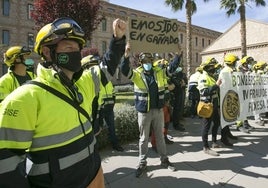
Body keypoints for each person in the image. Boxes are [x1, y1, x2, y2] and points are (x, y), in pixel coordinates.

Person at [0, 17, 126, 188]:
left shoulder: (85, 83)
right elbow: (6, 167)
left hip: (95, 177)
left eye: (77, 48)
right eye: (69, 47)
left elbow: (108, 66)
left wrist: (117, 39)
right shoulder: (24, 98)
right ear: (47, 52)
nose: (76, 53)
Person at [121, 44, 178, 178]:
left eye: (149, 60)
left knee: (160, 137)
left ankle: (164, 160)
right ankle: (142, 163)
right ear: (141, 62)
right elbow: (124, 69)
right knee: (143, 139)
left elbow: (172, 68)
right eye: (144, 61)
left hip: (158, 111)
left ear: (152, 61)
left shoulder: (159, 71)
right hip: (144, 112)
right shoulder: (136, 74)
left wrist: (178, 55)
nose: (147, 63)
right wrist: (126, 55)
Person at [81, 54, 124, 151]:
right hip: (98, 109)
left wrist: (113, 101)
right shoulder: (88, 82)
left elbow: (112, 91)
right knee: (95, 130)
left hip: (108, 108)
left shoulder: (105, 78)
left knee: (111, 128)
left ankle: (114, 144)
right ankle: (95, 149)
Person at [198, 57, 221, 156]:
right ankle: (206, 147)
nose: (214, 69)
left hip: (214, 105)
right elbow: (204, 92)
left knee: (216, 123)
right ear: (207, 68)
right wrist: (216, 85)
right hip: (207, 105)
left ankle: (214, 142)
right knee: (206, 126)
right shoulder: (203, 78)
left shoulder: (211, 77)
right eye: (212, 67)